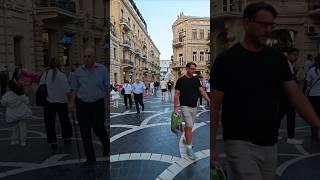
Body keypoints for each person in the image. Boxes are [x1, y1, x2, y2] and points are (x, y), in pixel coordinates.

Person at [210, 2, 320, 180]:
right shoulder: (227, 60)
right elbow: (214, 105)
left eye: (271, 25)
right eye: (263, 24)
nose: (268, 30)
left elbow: (296, 95)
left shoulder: (276, 58)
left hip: (270, 142)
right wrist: (212, 146)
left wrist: (317, 125)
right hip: (239, 142)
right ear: (246, 23)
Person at [69, 47, 108, 165]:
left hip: (98, 104)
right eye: (85, 57)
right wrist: (71, 103)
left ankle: (105, 143)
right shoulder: (78, 72)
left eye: (89, 56)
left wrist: (108, 104)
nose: (86, 59)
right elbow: (74, 88)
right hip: (82, 105)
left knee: (98, 128)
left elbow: (107, 87)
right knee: (85, 132)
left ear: (94, 57)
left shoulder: (102, 69)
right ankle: (90, 159)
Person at [174, 62, 210, 160]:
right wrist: (176, 108)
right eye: (192, 69)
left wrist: (209, 100)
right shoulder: (180, 80)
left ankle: (186, 138)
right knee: (189, 126)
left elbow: (202, 91)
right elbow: (176, 94)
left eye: (194, 69)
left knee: (189, 125)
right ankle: (189, 148)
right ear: (187, 68)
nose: (193, 70)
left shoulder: (196, 80)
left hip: (194, 107)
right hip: (184, 106)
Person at [39, 57, 73, 149]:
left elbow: (41, 85)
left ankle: (52, 140)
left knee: (50, 122)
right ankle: (67, 137)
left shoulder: (45, 74)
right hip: (62, 102)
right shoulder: (62, 75)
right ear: (59, 64)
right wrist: (71, 102)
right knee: (64, 121)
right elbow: (67, 90)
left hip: (49, 102)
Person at [277, 48, 303, 145]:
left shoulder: (291, 65)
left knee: (280, 115)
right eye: (294, 55)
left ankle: (275, 134)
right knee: (290, 115)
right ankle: (290, 137)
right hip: (286, 95)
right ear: (288, 55)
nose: (296, 57)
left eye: (297, 55)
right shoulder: (286, 64)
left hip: (285, 95)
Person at [1, 80, 32, 146]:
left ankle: (14, 139)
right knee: (23, 127)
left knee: (14, 127)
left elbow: (3, 103)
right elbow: (27, 102)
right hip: (22, 112)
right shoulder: (20, 93)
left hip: (12, 113)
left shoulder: (7, 95)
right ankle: (23, 141)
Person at [306, 55, 320, 139]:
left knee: (314, 114)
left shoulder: (311, 70)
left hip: (313, 96)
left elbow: (307, 83)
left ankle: (314, 133)